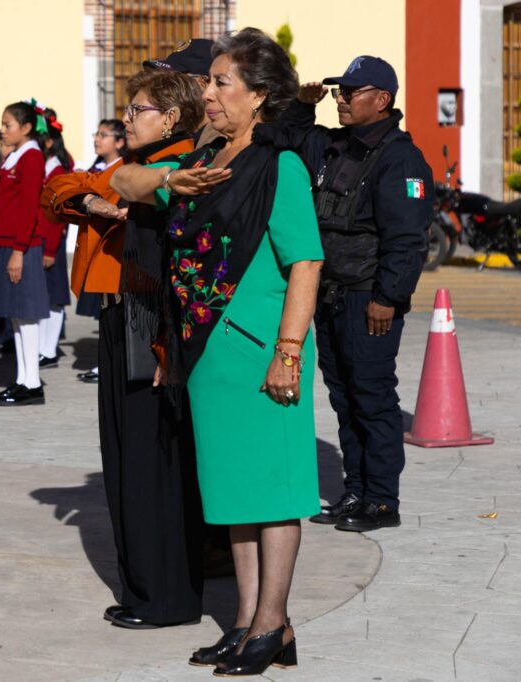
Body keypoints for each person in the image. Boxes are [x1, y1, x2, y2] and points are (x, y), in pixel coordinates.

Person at [114, 28, 323, 674]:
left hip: (262, 349)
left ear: (258, 95)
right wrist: (170, 181)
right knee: (234, 494)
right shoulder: (205, 158)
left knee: (273, 492)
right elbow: (122, 179)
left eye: (220, 82)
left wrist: (288, 350)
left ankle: (272, 624)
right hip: (207, 351)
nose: (207, 93)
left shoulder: (278, 165)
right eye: (209, 81)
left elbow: (306, 262)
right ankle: (245, 621)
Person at [42, 69, 207, 630]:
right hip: (120, 317)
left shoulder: (180, 168)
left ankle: (164, 597)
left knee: (151, 463)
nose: (127, 119)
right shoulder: (132, 167)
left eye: (138, 110)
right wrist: (92, 199)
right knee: (124, 458)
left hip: (151, 321)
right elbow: (58, 188)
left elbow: (181, 267)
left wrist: (167, 344)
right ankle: (143, 589)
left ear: (172, 118)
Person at [287, 57, 432, 532]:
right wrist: (302, 106)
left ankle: (382, 500)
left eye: (351, 92)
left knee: (372, 397)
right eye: (339, 92)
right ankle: (356, 490)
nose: (341, 100)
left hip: (367, 297)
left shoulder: (400, 158)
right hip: (330, 292)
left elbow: (407, 239)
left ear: (382, 99)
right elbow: (289, 140)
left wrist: (387, 298)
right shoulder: (338, 145)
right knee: (345, 398)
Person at [0, 102, 49, 406]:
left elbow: (29, 207)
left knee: (27, 314)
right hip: (7, 242)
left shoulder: (32, 156)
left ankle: (32, 382)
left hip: (22, 245)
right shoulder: (15, 156)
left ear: (26, 128)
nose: (2, 130)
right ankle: (23, 379)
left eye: (8, 124)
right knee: (17, 316)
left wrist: (19, 251)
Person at [74, 118, 126, 384]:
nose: (97, 139)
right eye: (97, 134)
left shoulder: (123, 169)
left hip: (111, 247)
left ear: (119, 142)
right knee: (103, 310)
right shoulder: (97, 169)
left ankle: (112, 363)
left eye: (104, 135)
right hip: (92, 246)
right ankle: (104, 361)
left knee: (114, 309)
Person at [36, 106, 72, 368]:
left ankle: (49, 350)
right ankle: (42, 348)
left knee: (55, 296)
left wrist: (50, 249)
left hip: (51, 241)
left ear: (49, 142)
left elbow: (56, 215)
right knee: (44, 295)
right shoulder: (45, 167)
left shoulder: (57, 171)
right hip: (41, 239)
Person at [143, 38, 220, 149]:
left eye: (174, 81)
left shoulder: (218, 142)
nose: (165, 89)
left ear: (202, 84)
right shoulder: (177, 133)